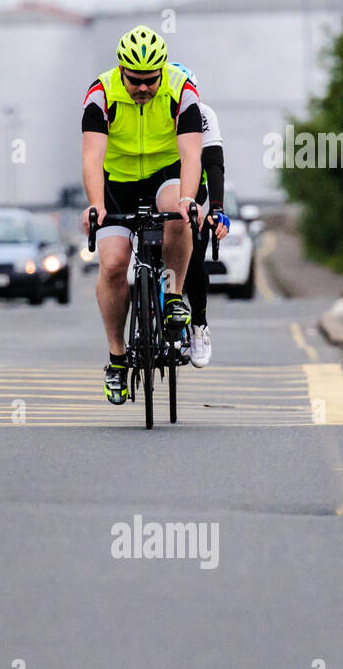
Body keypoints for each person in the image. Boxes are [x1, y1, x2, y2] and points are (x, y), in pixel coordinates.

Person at [80, 26, 205, 405]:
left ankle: (174, 296)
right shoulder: (100, 95)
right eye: (135, 81)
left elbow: (191, 156)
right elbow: (91, 157)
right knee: (115, 263)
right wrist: (96, 206)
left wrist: (188, 198)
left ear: (162, 71)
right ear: (121, 70)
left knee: (177, 210)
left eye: (151, 80)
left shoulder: (181, 91)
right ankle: (117, 359)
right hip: (116, 179)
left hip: (165, 172)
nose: (143, 88)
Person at [169, 63, 230, 368]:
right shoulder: (155, 111)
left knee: (192, 257)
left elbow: (214, 164)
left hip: (195, 195)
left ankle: (199, 325)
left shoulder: (203, 115)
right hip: (160, 192)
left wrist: (217, 210)